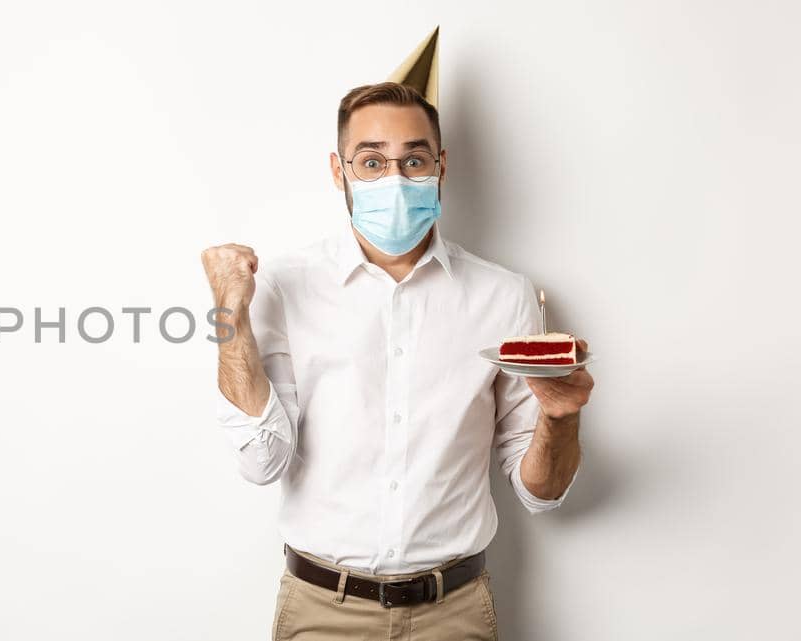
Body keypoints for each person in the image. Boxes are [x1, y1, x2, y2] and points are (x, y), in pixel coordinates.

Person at [200, 31, 595, 641]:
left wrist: (561, 417)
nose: (395, 176)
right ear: (340, 171)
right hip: (320, 611)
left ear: (441, 167)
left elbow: (539, 493)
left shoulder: (505, 295)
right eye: (372, 160)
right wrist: (230, 312)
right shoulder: (281, 286)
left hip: (454, 613)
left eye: (414, 159)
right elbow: (261, 461)